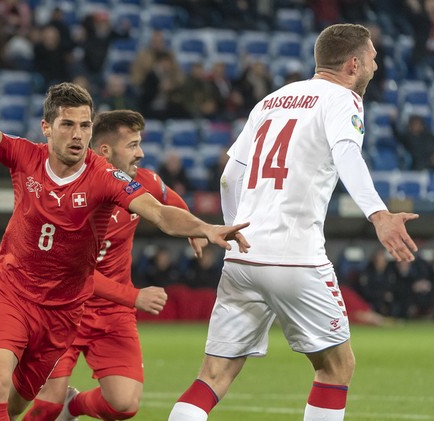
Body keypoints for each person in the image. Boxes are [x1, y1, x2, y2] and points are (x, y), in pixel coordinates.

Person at [0, 21, 250, 421]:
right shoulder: (24, 157)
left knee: (12, 408)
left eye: (84, 125)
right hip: (10, 293)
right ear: (47, 128)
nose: (78, 134)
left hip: (62, 313)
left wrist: (203, 227)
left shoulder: (105, 177)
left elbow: (157, 211)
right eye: (68, 124)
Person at [168, 24, 419, 421]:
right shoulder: (343, 99)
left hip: (243, 258)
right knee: (337, 367)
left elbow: (229, 176)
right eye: (372, 57)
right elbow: (347, 155)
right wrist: (379, 214)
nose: (376, 63)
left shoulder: (270, 101)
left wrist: (234, 231)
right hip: (295, 258)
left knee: (213, 375)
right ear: (353, 63)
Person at [22, 109, 206, 421]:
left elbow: (165, 195)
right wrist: (135, 297)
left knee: (124, 404)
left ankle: (74, 406)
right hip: (62, 309)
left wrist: (194, 227)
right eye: (133, 145)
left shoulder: (141, 182)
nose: (141, 153)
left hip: (111, 315)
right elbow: (75, 274)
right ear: (106, 151)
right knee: (44, 407)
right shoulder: (69, 196)